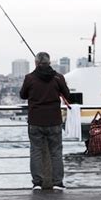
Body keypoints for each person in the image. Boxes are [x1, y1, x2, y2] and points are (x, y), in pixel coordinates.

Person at [20, 52, 70, 191]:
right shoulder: (58, 77)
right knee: (56, 152)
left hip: (35, 120)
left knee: (35, 151)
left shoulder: (30, 78)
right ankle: (58, 183)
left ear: (36, 63)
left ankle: (37, 182)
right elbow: (67, 94)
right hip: (54, 120)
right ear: (49, 63)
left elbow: (23, 95)